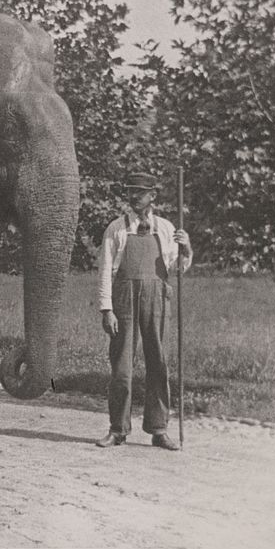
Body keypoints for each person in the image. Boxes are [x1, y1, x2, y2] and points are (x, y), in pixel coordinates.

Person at [95, 171, 192, 450]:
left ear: (153, 196)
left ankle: (158, 429)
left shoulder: (166, 228)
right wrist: (106, 309)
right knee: (121, 366)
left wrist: (186, 248)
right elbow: (104, 271)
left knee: (158, 363)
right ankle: (118, 429)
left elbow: (177, 268)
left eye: (139, 192)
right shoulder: (116, 228)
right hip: (124, 298)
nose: (133, 197)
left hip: (157, 297)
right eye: (130, 191)